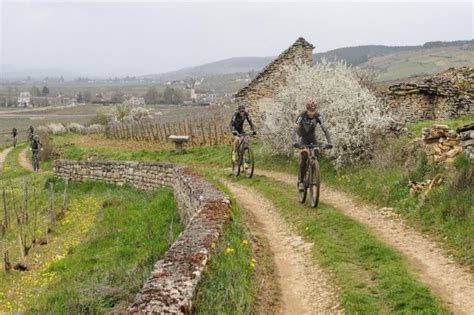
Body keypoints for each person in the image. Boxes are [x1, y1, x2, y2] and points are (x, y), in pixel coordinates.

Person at [292, 99, 333, 191]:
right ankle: (301, 181)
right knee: (304, 156)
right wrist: (295, 142)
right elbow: (294, 130)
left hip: (312, 138)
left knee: (317, 153)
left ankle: (314, 174)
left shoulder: (318, 116)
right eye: (310, 111)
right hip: (302, 138)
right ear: (307, 109)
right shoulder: (301, 116)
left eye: (313, 111)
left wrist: (329, 142)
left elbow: (325, 130)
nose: (311, 113)